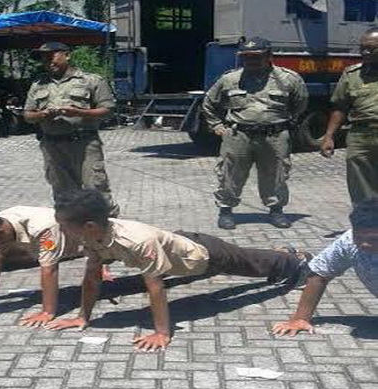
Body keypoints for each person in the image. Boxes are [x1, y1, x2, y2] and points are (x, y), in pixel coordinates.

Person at [46, 189, 310, 351]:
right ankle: (284, 255)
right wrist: (83, 317)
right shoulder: (90, 236)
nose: (61, 231)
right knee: (256, 262)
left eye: (65, 225)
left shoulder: (137, 240)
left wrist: (162, 332)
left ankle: (297, 260)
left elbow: (155, 287)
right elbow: (92, 279)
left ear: (90, 225)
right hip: (180, 255)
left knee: (257, 266)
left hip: (205, 254)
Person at [202, 36, 308, 230]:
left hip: (274, 136)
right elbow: (209, 104)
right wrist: (217, 126)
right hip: (238, 135)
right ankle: (226, 210)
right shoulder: (230, 79)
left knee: (276, 174)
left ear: (269, 56)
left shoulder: (288, 79)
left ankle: (276, 210)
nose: (250, 61)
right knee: (230, 173)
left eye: (256, 56)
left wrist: (285, 122)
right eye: (246, 57)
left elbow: (300, 103)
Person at [23, 41, 120, 217]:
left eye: (51, 56)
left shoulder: (91, 80)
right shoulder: (38, 84)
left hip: (84, 144)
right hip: (52, 146)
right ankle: (72, 235)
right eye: (43, 58)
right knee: (63, 194)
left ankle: (111, 233)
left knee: (95, 189)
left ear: (67, 55)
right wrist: (43, 114)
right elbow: (28, 115)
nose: (47, 61)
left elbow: (108, 111)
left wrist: (79, 112)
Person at [0, 206, 84, 328]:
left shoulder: (43, 228)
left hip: (87, 240)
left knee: (97, 264)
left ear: (1, 233)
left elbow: (50, 270)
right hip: (64, 238)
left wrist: (47, 311)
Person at [272, 198, 378, 337]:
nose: (364, 244)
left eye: (373, 239)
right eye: (359, 237)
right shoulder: (348, 241)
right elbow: (319, 275)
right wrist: (301, 318)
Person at [320, 28, 378, 204]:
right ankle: (366, 227)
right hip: (361, 137)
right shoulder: (352, 74)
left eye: (371, 48)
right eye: (362, 48)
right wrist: (329, 136)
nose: (365, 52)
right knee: (361, 188)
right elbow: (340, 107)